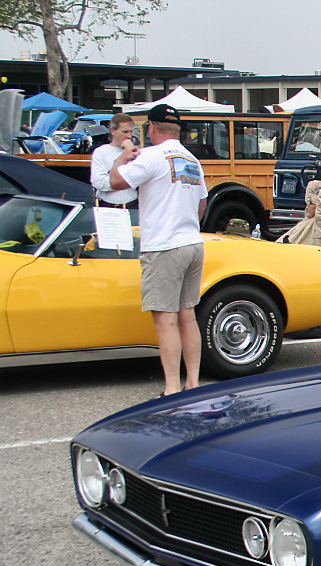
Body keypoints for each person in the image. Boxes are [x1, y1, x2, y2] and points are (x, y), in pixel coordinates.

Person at [109, 103, 208, 397]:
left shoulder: (151, 156)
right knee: (187, 315)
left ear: (151, 128)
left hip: (163, 245)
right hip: (192, 241)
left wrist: (123, 157)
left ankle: (172, 388)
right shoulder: (191, 159)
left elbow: (115, 182)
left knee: (164, 319)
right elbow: (201, 203)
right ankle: (192, 382)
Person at [278, 179, 321, 246]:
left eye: (311, 202)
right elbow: (311, 186)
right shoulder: (309, 218)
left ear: (320, 206)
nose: (308, 204)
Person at [89, 113, 138, 207]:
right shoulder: (101, 152)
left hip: (132, 206)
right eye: (125, 132)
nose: (129, 136)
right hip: (107, 206)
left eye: (131, 132)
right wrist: (123, 182)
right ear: (113, 131)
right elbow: (99, 183)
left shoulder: (135, 152)